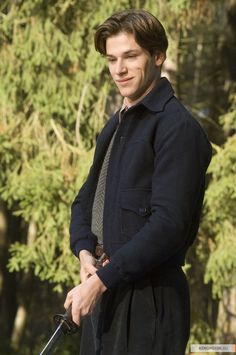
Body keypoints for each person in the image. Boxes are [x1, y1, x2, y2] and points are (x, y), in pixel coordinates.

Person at [64, 9, 212, 355]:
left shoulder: (178, 129)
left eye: (131, 56)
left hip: (152, 305)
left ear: (158, 56)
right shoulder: (114, 126)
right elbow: (84, 202)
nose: (119, 69)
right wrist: (85, 252)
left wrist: (101, 280)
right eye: (112, 59)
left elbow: (168, 226)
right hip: (105, 297)